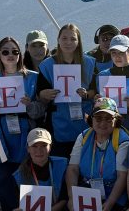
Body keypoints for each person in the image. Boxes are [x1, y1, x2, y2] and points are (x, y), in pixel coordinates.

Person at [65, 98, 129, 211]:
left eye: (108, 118)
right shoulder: (84, 136)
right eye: (98, 118)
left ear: (116, 120)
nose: (103, 123)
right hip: (87, 189)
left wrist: (110, 203)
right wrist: (72, 197)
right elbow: (72, 169)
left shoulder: (122, 139)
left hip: (113, 191)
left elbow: (122, 176)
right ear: (91, 119)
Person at [0, 36, 43, 211]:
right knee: (4, 179)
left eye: (15, 51)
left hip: (26, 134)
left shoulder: (33, 78)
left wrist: (30, 106)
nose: (10, 55)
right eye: (5, 51)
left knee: (28, 176)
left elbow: (41, 109)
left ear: (20, 54)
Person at [35, 23, 96, 160]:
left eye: (73, 39)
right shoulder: (47, 65)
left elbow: (95, 90)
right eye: (64, 38)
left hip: (84, 122)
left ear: (78, 41)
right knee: (61, 162)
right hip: (58, 124)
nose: (68, 42)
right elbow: (40, 94)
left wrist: (86, 94)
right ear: (58, 40)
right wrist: (45, 94)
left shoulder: (90, 63)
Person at [92, 34, 129, 131]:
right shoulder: (102, 76)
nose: (117, 56)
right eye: (113, 53)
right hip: (109, 129)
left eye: (121, 52)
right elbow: (97, 107)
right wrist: (97, 101)